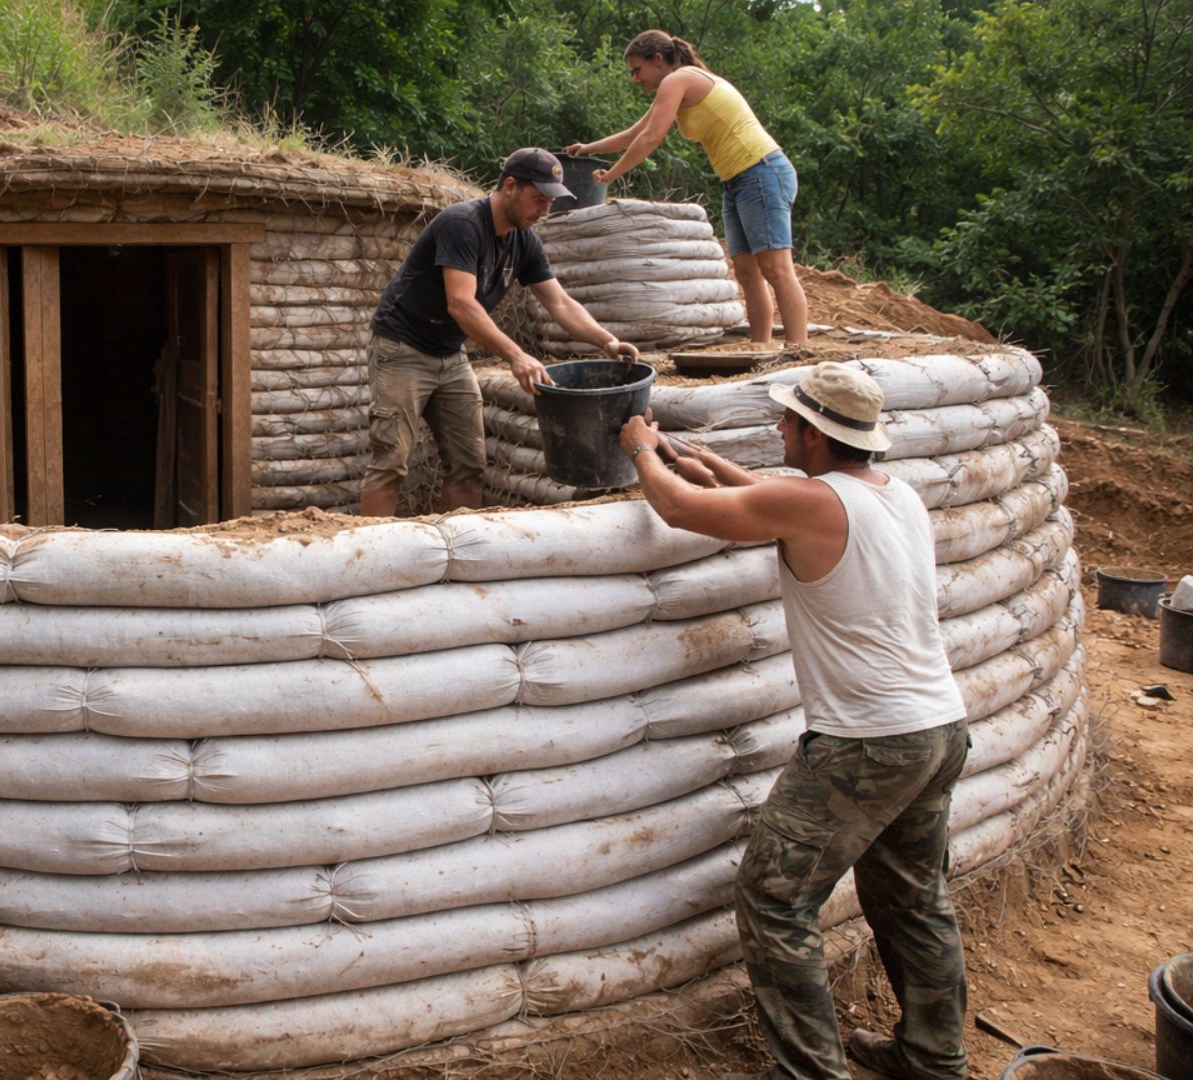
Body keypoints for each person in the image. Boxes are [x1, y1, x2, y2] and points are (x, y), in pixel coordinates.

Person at [618, 364, 970, 1080]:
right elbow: (782, 502)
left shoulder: (809, 503)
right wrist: (710, 466)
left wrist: (642, 451)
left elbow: (678, 510)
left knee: (774, 899)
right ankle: (935, 1060)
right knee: (913, 899)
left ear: (812, 434)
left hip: (866, 745)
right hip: (938, 730)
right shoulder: (895, 494)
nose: (780, 426)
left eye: (788, 420)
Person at [361, 147, 642, 517]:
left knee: (469, 464)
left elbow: (559, 302)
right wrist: (516, 355)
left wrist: (607, 340)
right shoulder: (462, 224)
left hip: (449, 353)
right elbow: (461, 304)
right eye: (538, 199)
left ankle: (459, 544)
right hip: (402, 348)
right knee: (391, 461)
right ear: (510, 186)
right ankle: (372, 547)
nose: (545, 211)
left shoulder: (525, 242)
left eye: (550, 202)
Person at [567, 29, 810, 347]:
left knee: (776, 270)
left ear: (657, 59)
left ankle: (798, 350)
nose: (635, 79)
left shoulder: (678, 79)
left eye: (637, 70)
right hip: (737, 181)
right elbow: (635, 132)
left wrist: (613, 174)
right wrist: (587, 148)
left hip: (761, 171)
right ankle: (761, 349)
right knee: (747, 273)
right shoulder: (676, 84)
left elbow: (651, 138)